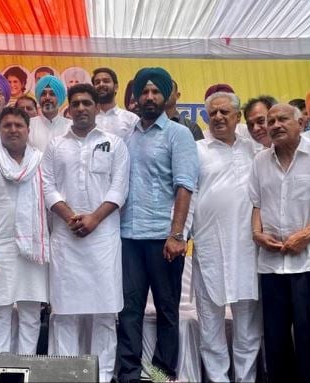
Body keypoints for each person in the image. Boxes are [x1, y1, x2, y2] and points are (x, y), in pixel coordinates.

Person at [42, 84, 129, 382]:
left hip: (103, 237)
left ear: (96, 107)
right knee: (65, 312)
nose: (81, 108)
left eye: (87, 103)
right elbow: (47, 186)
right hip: (66, 238)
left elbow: (120, 188)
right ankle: (66, 374)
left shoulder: (114, 143)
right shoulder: (55, 145)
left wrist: (94, 218)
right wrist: (69, 217)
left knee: (105, 312)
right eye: (76, 103)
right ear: (69, 108)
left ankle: (102, 375)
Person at [117, 68, 199, 382]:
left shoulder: (178, 134)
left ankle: (162, 374)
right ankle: (128, 374)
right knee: (129, 311)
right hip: (129, 237)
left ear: (166, 96)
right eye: (144, 92)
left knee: (167, 310)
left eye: (155, 91)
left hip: (165, 238)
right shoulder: (127, 137)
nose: (149, 97)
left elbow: (185, 186)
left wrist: (177, 234)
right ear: (136, 97)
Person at [250, 103, 310, 382]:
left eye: (283, 119)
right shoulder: (260, 160)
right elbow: (256, 203)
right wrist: (256, 233)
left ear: (302, 122)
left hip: (308, 262)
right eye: (270, 121)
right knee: (275, 337)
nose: (275, 125)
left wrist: (307, 234)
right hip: (270, 264)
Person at [191, 91, 261, 382]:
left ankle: (246, 379)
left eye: (224, 112)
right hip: (209, 249)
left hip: (247, 250)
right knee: (210, 327)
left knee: (248, 328)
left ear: (237, 116)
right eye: (213, 113)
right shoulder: (195, 149)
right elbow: (186, 194)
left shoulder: (254, 149)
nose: (218, 117)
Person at [0, 106, 49, 355]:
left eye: (19, 125)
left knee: (30, 312)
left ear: (28, 130)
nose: (13, 130)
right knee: (0, 311)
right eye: (7, 125)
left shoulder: (42, 162)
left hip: (34, 249)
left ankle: (27, 364)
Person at [92, 67, 138, 139]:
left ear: (116, 87)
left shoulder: (131, 119)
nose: (101, 84)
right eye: (97, 82)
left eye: (106, 81)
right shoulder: (88, 118)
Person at [28, 75, 71, 152]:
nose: (47, 97)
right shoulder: (29, 125)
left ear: (60, 98)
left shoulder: (70, 126)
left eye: (52, 94)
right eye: (43, 94)